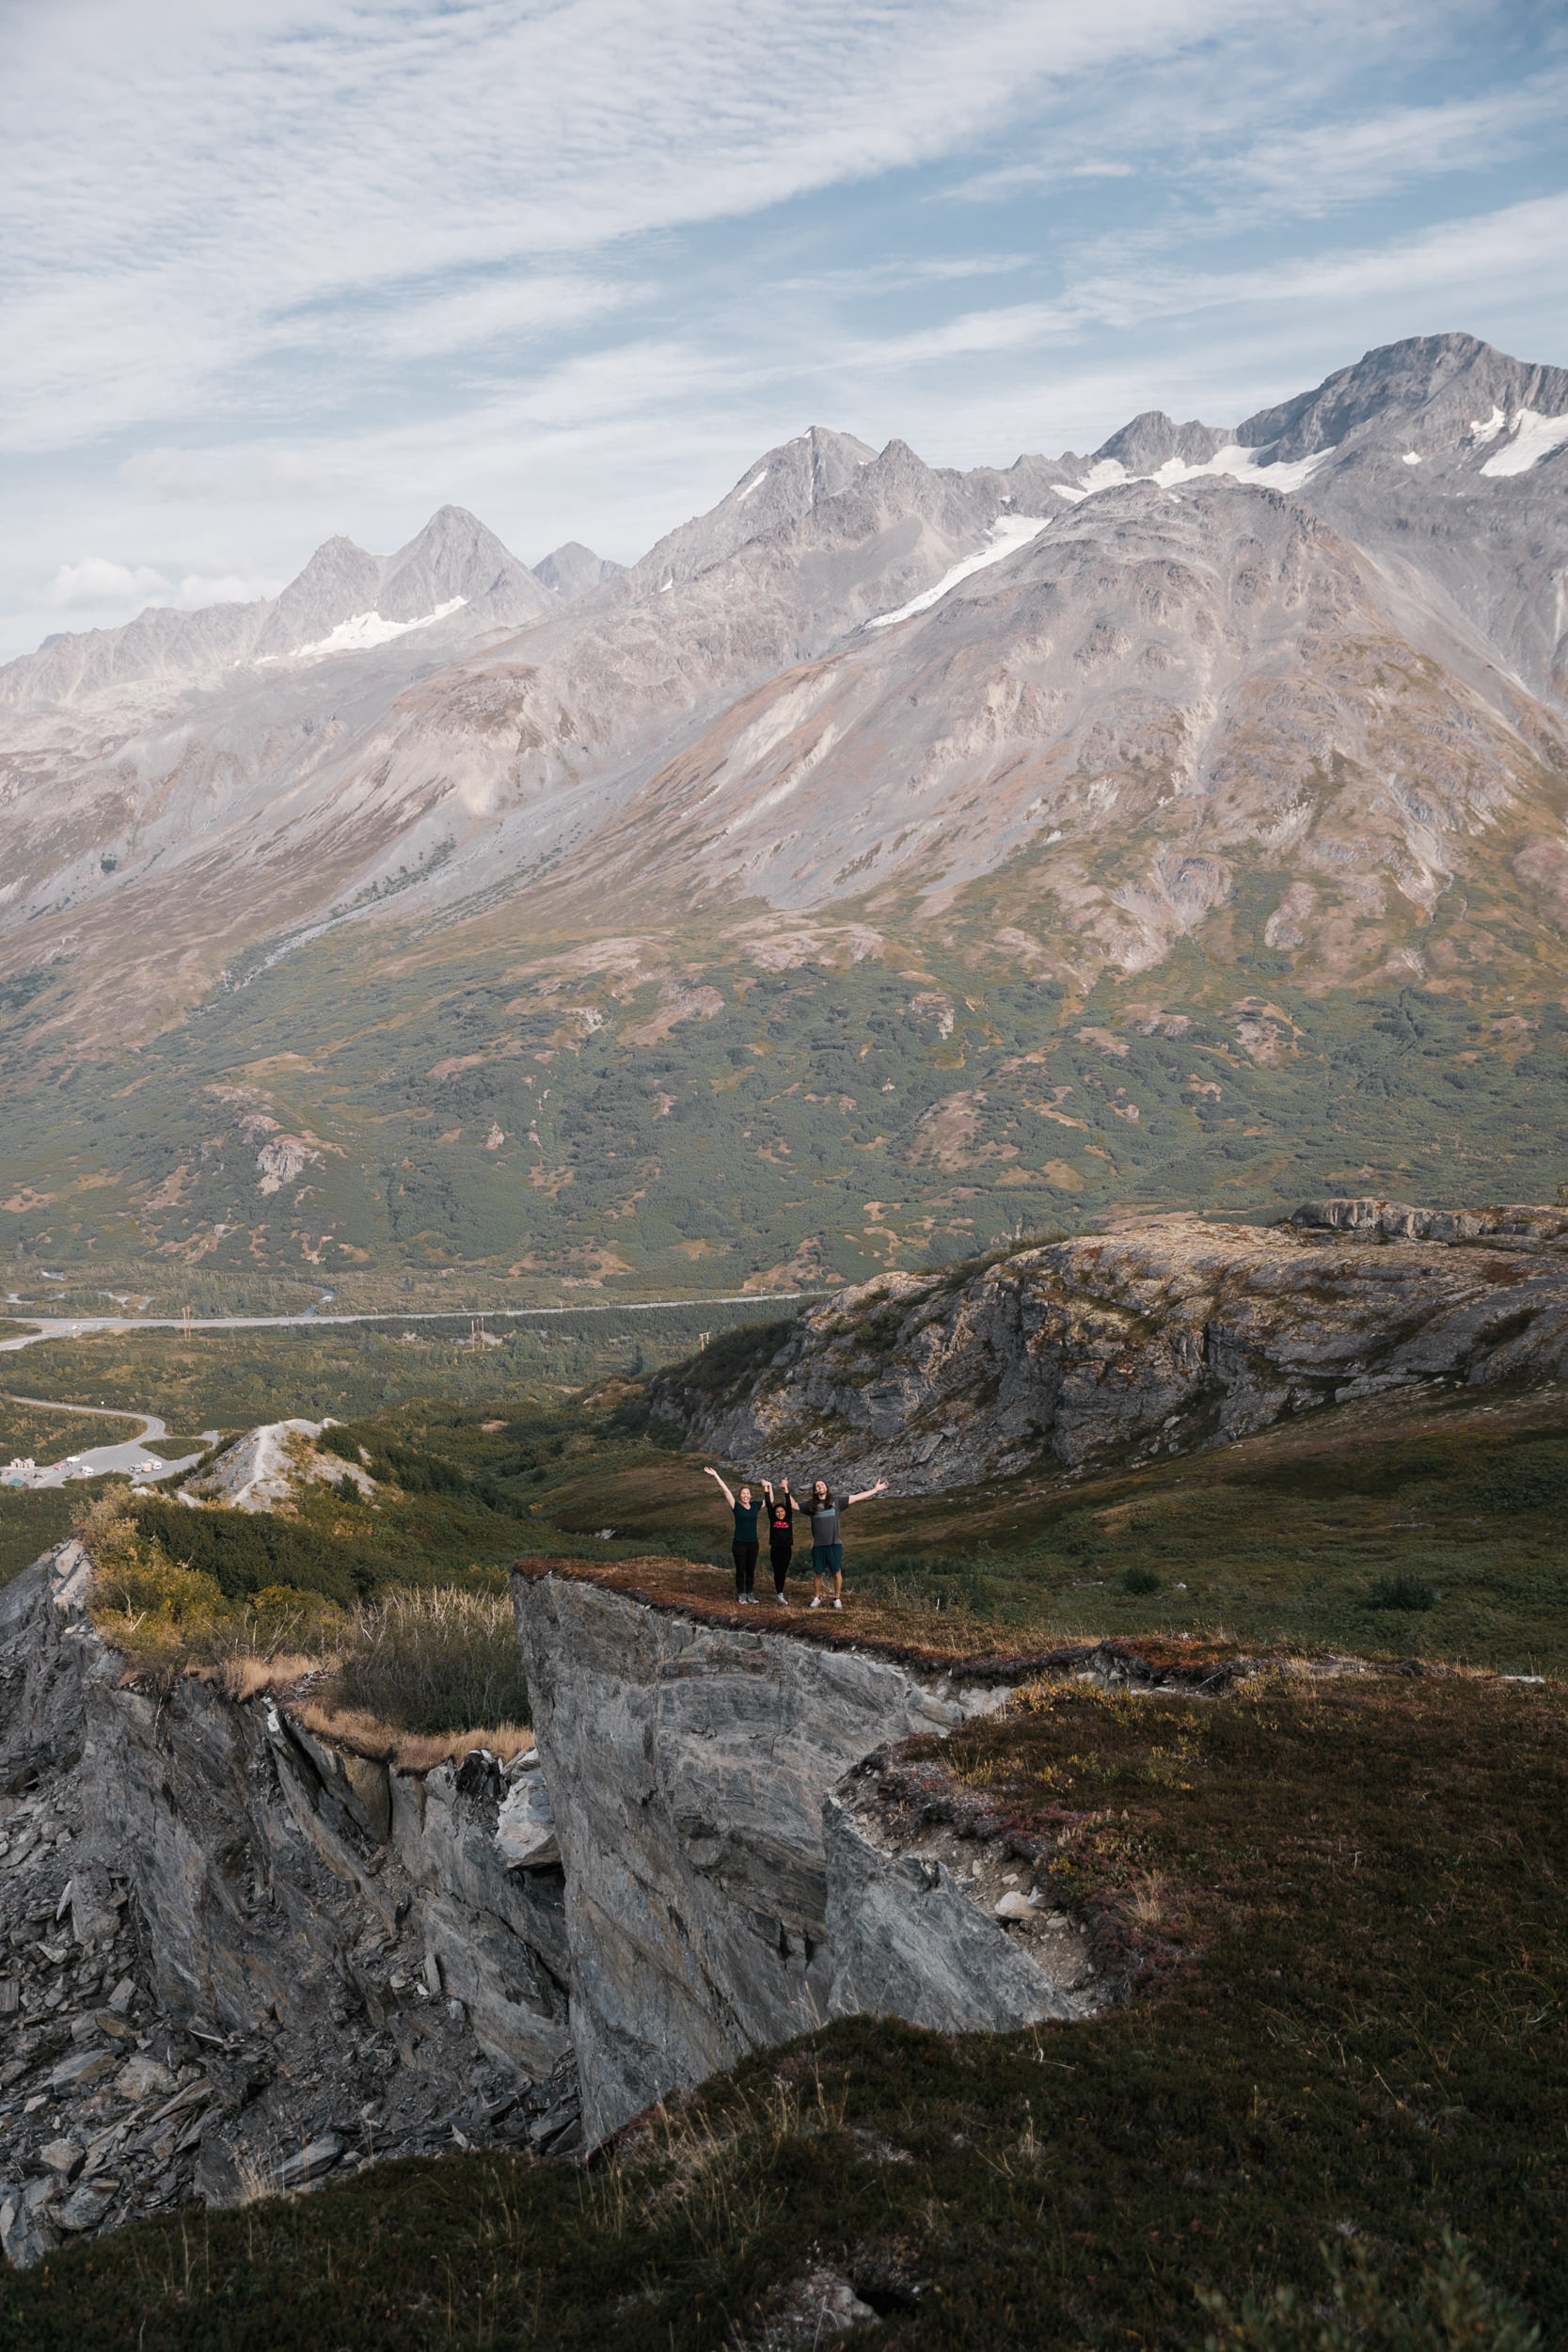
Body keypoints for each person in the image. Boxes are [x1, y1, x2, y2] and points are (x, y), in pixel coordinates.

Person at [807, 1473, 888, 1610]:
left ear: (826, 1487)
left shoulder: (836, 1501)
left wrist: (875, 1490)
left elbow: (856, 1498)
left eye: (822, 1484)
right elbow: (794, 1505)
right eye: (817, 1486)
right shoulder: (811, 1506)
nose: (820, 1487)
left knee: (836, 1572)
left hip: (835, 1544)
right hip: (818, 1545)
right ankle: (816, 1598)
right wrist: (785, 1490)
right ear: (815, 1491)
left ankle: (837, 1598)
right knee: (817, 1573)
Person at [704, 1466, 762, 1603]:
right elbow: (726, 1491)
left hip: (753, 1543)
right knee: (741, 1570)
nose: (746, 1495)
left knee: (751, 1570)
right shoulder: (736, 1506)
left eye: (748, 1493)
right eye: (743, 1493)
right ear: (740, 1496)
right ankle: (741, 1594)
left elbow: (770, 1500)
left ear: (751, 1495)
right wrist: (716, 1475)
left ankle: (750, 1594)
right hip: (739, 1543)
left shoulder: (755, 1506)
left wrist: (768, 1487)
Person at [761, 1477, 795, 1604]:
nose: (780, 1513)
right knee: (777, 1570)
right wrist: (765, 1488)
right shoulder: (773, 1520)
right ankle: (779, 1593)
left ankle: (780, 1592)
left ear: (785, 1512)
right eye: (778, 1512)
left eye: (782, 1511)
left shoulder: (788, 1518)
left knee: (783, 1570)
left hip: (787, 1549)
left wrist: (785, 1488)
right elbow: (769, 1505)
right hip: (775, 1548)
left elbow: (789, 1503)